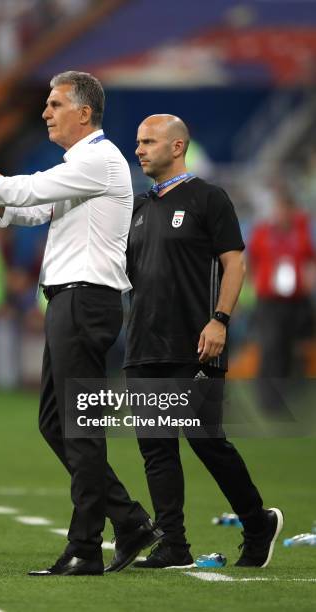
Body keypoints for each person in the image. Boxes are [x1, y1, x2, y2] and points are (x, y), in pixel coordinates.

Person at [0, 71, 161, 576]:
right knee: (54, 423)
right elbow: (34, 212)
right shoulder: (80, 165)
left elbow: (32, 191)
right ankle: (129, 522)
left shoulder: (99, 160)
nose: (45, 112)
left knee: (79, 428)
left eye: (55, 104)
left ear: (84, 113)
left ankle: (86, 546)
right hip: (70, 301)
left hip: (86, 300)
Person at [125, 113, 283, 569]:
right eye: (137, 142)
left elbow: (235, 265)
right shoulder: (137, 207)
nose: (139, 149)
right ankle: (173, 544)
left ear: (177, 147)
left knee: (207, 440)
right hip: (143, 345)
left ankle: (257, 522)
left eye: (149, 142)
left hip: (197, 342)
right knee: (155, 445)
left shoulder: (209, 198)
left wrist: (220, 321)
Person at [248, 185, 315, 414]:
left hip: (296, 300)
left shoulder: (301, 231)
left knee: (291, 349)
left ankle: (287, 396)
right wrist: (256, 283)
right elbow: (251, 259)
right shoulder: (263, 232)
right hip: (270, 300)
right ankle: (268, 400)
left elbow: (308, 259)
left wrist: (309, 281)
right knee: (271, 347)